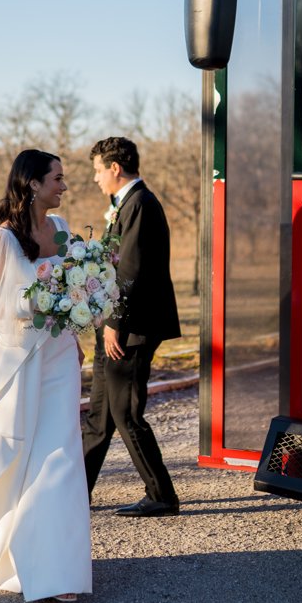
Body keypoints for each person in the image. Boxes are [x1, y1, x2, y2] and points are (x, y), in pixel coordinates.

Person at [0, 149, 92, 603]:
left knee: (60, 457)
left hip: (58, 356)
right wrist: (37, 301)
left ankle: (58, 571)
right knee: (15, 455)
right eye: (57, 178)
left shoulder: (60, 230)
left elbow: (75, 286)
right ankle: (11, 554)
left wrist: (76, 327)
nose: (64, 185)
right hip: (20, 358)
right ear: (33, 184)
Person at [82, 136, 181, 516]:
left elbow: (132, 271)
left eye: (96, 171)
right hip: (117, 325)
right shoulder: (127, 204)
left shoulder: (140, 203)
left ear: (114, 168)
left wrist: (114, 325)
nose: (95, 179)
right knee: (100, 416)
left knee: (126, 414)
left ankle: (161, 496)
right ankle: (78, 493)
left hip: (131, 328)